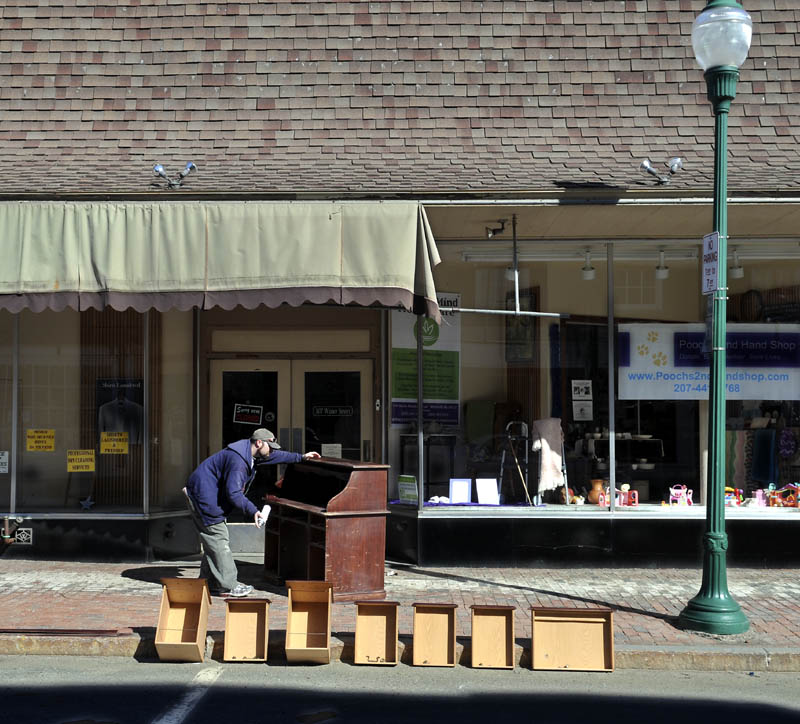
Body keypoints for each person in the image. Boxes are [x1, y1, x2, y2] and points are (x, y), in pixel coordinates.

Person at [184, 428, 321, 597]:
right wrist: (253, 511)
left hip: (206, 495)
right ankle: (229, 586)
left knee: (214, 542)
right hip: (204, 498)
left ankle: (209, 583)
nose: (272, 451)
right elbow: (233, 493)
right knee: (219, 541)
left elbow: (277, 456)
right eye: (270, 447)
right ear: (259, 443)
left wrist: (301, 457)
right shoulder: (239, 461)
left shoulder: (249, 453)